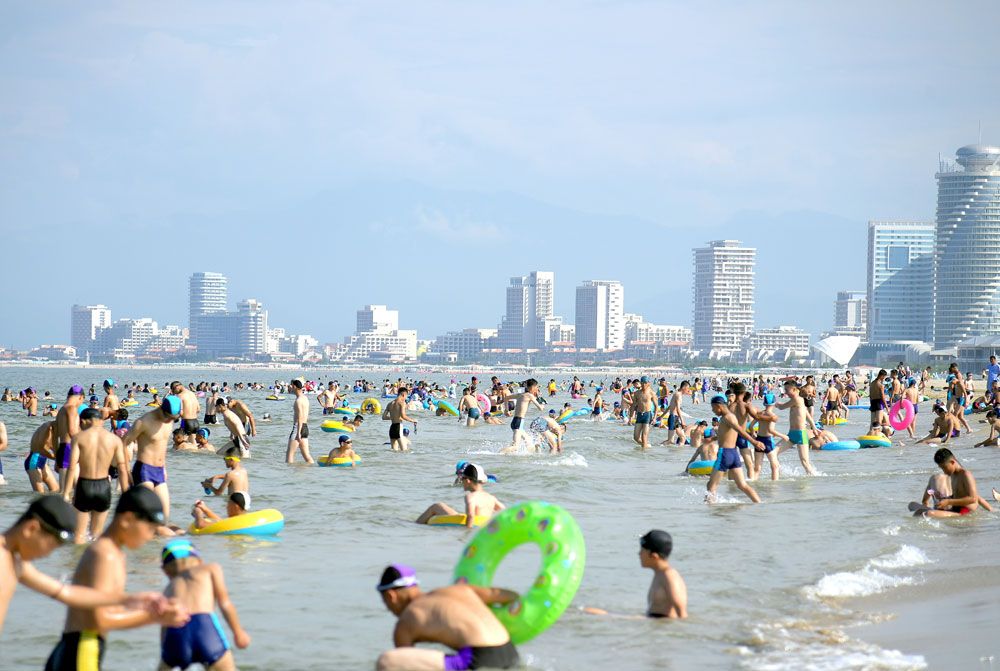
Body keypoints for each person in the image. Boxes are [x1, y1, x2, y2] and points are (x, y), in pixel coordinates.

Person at [44, 487, 189, 671]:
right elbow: (100, 620)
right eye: (150, 528)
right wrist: (156, 617)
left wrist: (147, 605)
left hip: (76, 647)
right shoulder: (106, 555)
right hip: (82, 649)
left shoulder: (111, 552)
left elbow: (108, 606)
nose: (150, 536)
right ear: (127, 520)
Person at [0, 496, 168, 634]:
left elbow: (66, 593)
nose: (47, 554)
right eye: (51, 545)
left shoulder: (16, 563)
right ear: (31, 529)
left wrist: (131, 599)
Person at [375, 564, 519, 671]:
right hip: (511, 652)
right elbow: (506, 595)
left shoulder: (407, 620)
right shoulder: (458, 589)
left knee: (388, 661)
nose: (388, 609)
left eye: (385, 602)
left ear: (391, 596)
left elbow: (403, 664)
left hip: (478, 659)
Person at [158, 539, 251, 671]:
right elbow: (225, 603)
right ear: (199, 561)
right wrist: (238, 633)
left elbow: (164, 626)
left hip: (176, 634)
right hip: (205, 630)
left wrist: (166, 652)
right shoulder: (210, 569)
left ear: (165, 570)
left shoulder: (166, 590)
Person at [65, 408, 131, 544]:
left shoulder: (79, 438)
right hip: (103, 486)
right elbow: (123, 469)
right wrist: (126, 494)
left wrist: (66, 492)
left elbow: (71, 467)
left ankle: (76, 563)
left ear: (84, 421)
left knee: (79, 535)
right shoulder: (114, 439)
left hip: (84, 485)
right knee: (96, 535)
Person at [123, 395, 182, 523]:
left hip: (159, 471)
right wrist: (126, 470)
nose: (170, 421)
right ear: (162, 409)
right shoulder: (143, 422)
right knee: (145, 516)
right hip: (144, 470)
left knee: (164, 518)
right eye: (168, 417)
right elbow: (123, 443)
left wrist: (164, 468)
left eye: (174, 418)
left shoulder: (169, 422)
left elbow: (162, 446)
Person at [706, 395, 763, 503]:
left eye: (713, 408)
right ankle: (759, 503)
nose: (713, 411)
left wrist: (754, 442)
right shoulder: (728, 417)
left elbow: (740, 431)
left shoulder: (727, 417)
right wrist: (713, 438)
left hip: (725, 453)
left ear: (719, 406)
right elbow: (727, 434)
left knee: (711, 485)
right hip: (733, 454)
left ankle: (709, 511)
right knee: (742, 485)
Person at [415, 463, 504, 528]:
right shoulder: (491, 498)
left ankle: (415, 526)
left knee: (436, 506)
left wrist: (467, 533)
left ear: (468, 480)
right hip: (483, 522)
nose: (462, 481)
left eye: (463, 478)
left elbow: (471, 516)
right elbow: (504, 511)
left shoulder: (471, 497)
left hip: (473, 523)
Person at [911, 448, 982, 517]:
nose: (944, 471)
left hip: (964, 511)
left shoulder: (966, 474)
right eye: (941, 468)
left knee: (929, 514)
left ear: (952, 462)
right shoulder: (953, 475)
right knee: (919, 512)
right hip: (955, 508)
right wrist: (945, 498)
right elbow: (958, 495)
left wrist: (948, 501)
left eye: (944, 467)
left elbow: (973, 499)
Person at [638, 530, 687, 618]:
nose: (639, 554)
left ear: (654, 556)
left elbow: (682, 614)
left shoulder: (669, 575)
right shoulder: (659, 574)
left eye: (642, 550)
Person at [775, 381, 818, 476]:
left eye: (787, 390)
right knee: (773, 452)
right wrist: (814, 427)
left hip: (801, 434)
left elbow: (782, 407)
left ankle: (813, 479)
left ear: (794, 389)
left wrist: (775, 404)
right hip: (791, 434)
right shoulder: (799, 400)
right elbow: (806, 414)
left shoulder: (797, 399)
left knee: (805, 462)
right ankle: (779, 472)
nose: (785, 392)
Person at [54, 385, 86, 492]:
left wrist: (56, 455)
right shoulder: (72, 409)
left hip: (62, 448)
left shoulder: (62, 409)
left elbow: (56, 434)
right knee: (71, 489)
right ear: (81, 397)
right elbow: (72, 431)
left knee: (65, 489)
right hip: (69, 449)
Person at [25, 421, 60, 493]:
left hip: (42, 462)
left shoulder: (50, 427)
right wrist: (56, 458)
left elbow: (49, 445)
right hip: (33, 462)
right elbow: (41, 448)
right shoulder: (48, 428)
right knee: (39, 494)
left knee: (56, 489)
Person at [286, 379, 314, 464]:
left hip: (298, 428)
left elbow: (300, 417)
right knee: (307, 456)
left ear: (294, 386)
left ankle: (289, 476)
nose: (290, 387)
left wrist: (298, 433)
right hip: (305, 427)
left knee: (289, 456)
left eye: (291, 385)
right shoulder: (305, 398)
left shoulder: (298, 401)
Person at [383, 388, 417, 452]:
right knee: (404, 451)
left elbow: (384, 417)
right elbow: (403, 416)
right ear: (403, 394)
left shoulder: (390, 403)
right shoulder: (402, 403)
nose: (405, 398)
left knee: (394, 451)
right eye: (406, 396)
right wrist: (413, 420)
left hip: (392, 428)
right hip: (398, 427)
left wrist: (393, 417)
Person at [171, 381, 202, 450]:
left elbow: (181, 413)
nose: (174, 392)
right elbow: (199, 409)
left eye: (173, 390)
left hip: (186, 421)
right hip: (195, 422)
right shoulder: (192, 394)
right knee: (194, 444)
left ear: (177, 386)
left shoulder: (179, 396)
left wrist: (175, 418)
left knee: (178, 444)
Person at [630, 376, 657, 450]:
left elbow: (656, 406)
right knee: (635, 437)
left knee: (644, 437)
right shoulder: (637, 393)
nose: (643, 384)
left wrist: (654, 418)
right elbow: (633, 405)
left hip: (647, 415)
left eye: (645, 383)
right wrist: (631, 417)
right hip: (639, 415)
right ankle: (646, 446)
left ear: (648, 383)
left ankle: (644, 455)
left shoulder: (652, 393)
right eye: (642, 383)